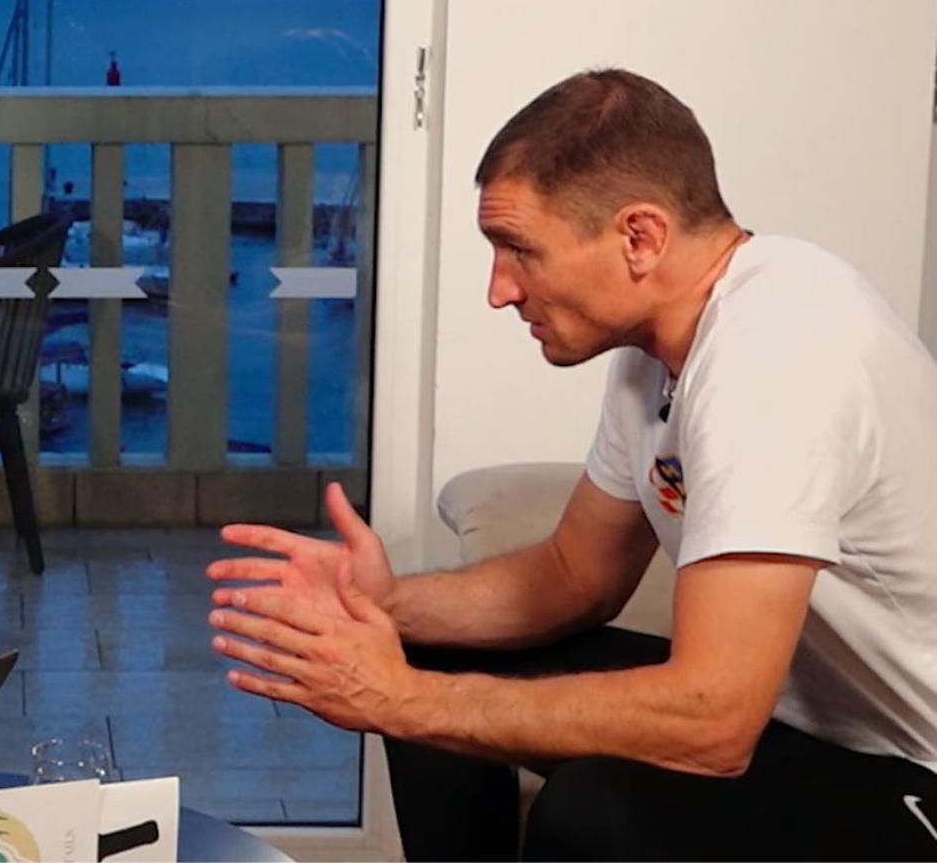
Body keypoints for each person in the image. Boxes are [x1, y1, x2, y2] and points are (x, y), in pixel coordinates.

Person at [205, 69, 937, 859]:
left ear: (640, 238)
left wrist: (402, 700)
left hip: (911, 771)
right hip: (801, 727)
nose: (499, 290)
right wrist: (385, 604)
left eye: (520, 249)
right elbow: (574, 575)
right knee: (429, 652)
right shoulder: (657, 350)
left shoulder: (777, 351)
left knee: (591, 811)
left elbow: (714, 719)